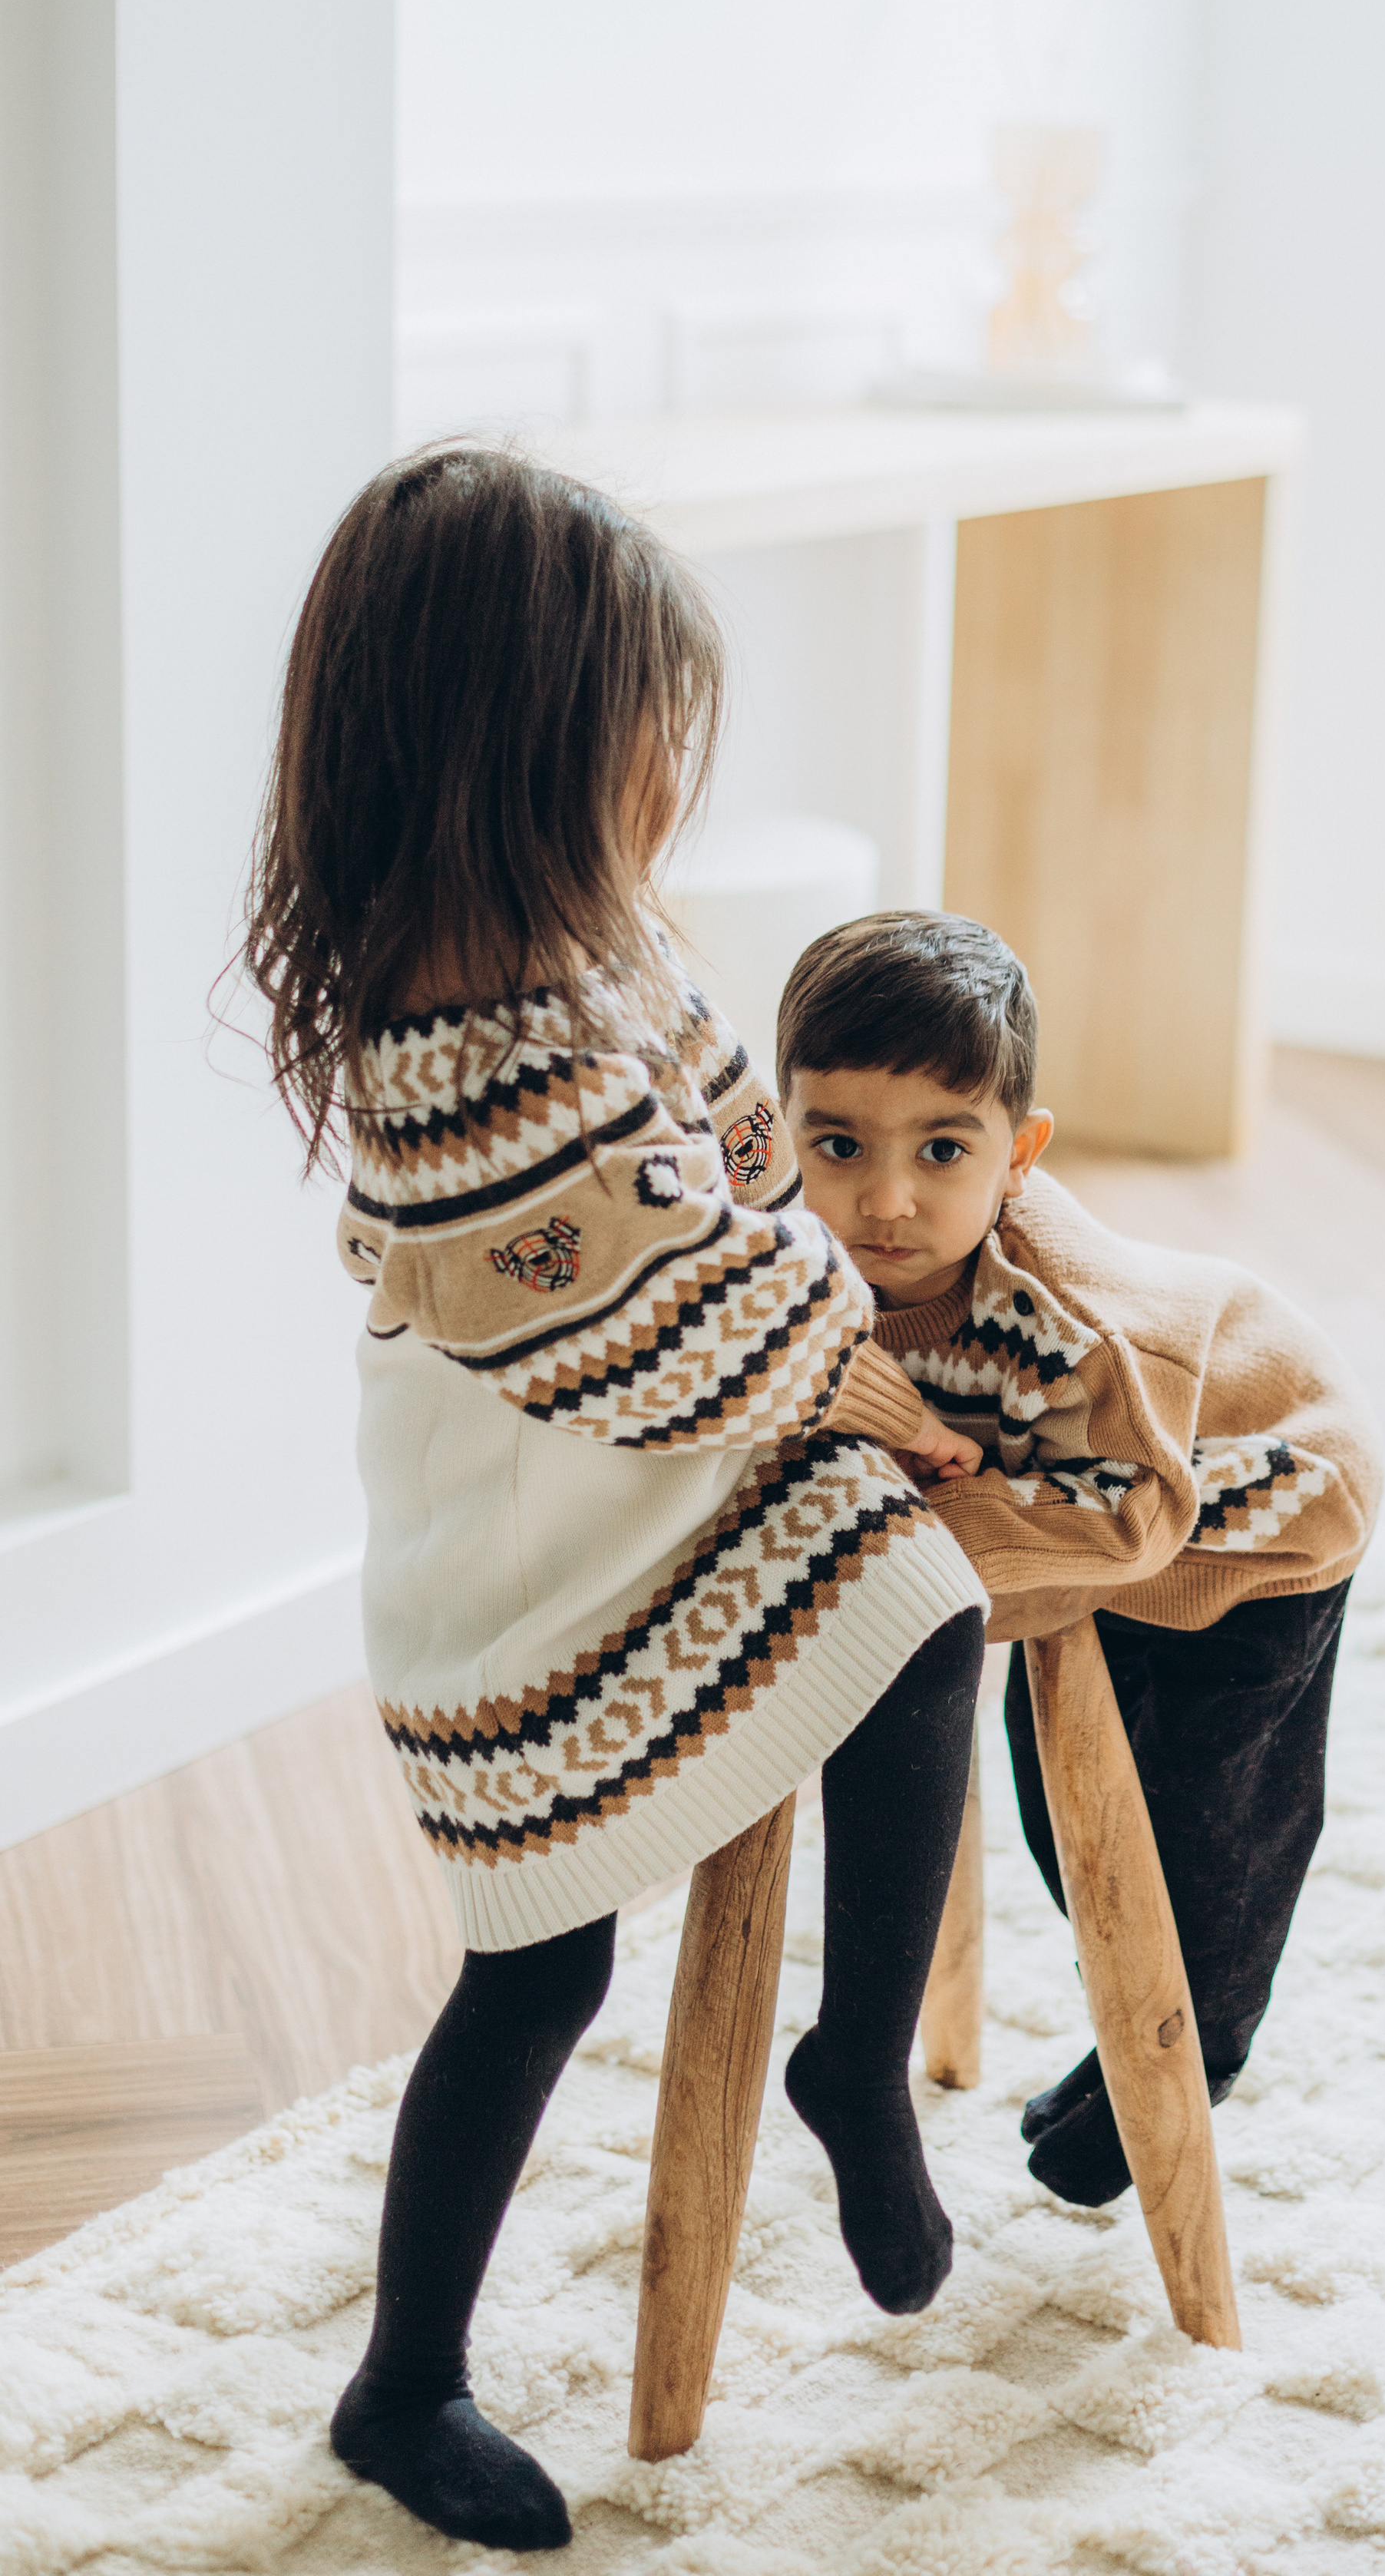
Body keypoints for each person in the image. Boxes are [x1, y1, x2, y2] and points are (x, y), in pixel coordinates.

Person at [243, 448, 989, 2554]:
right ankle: (404, 2385)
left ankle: (851, 2058)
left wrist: (840, 1300)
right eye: (648, 731)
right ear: (523, 755)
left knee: (920, 1608)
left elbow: (736, 1166)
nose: (673, 773)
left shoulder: (597, 950)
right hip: (524, 1582)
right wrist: (832, 1346)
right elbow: (642, 1327)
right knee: (538, 1970)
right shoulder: (452, 1070)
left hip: (655, 1489)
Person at [777, 909, 1383, 2211]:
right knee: (1067, 1820)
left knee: (1207, 1827)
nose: (887, 1200)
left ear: (1019, 1155)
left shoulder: (1076, 1332)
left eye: (943, 1151)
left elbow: (1131, 1518)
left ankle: (1192, 2052)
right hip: (1077, 1513)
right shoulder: (808, 1264)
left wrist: (931, 1531)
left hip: (1252, 1499)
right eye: (840, 1147)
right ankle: (1129, 2025)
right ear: (786, 1133)